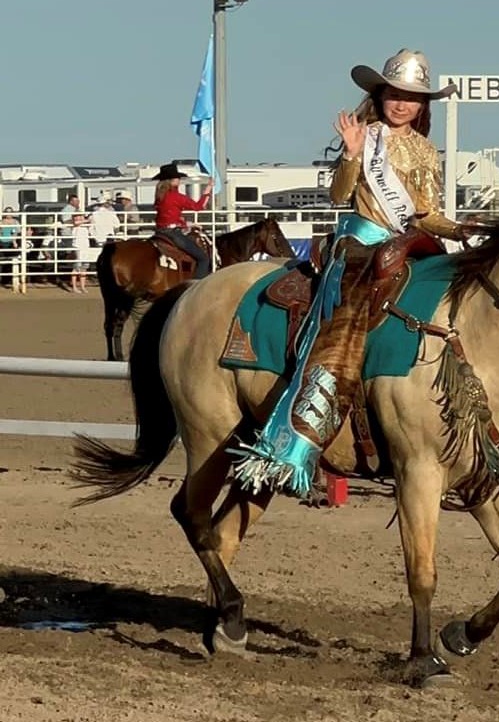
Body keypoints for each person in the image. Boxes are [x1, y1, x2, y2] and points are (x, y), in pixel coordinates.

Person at [232, 48, 464, 496]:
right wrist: (354, 155)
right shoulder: (366, 135)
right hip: (358, 244)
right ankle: (306, 430)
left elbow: (425, 213)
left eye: (412, 97)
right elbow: (341, 194)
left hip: (405, 245)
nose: (402, 104)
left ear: (423, 105)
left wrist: (460, 227)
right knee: (346, 320)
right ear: (380, 95)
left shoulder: (425, 150)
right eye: (395, 94)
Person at [152, 162, 213, 279]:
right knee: (203, 258)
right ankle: (196, 285)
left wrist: (187, 223)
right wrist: (208, 190)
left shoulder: (160, 196)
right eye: (177, 178)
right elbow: (198, 207)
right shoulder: (176, 196)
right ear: (171, 180)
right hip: (173, 233)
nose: (179, 180)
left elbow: (168, 215)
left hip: (160, 231)